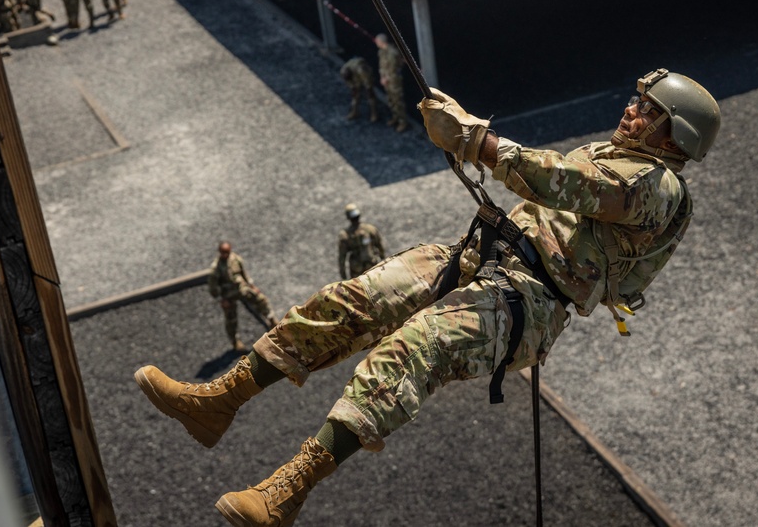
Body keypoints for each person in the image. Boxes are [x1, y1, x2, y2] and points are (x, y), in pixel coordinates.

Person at [134, 68, 720, 527]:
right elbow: (554, 181)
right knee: (355, 299)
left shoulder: (658, 188)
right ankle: (220, 400)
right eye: (638, 101)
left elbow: (561, 182)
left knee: (418, 346)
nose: (632, 110)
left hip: (531, 300)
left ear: (678, 137)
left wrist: (474, 139)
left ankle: (287, 492)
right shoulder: (615, 154)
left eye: (650, 111)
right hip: (482, 256)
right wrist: (472, 139)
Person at [205, 242, 279, 353]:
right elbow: (213, 288)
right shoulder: (216, 269)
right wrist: (222, 299)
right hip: (228, 295)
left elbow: (243, 272)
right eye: (224, 252)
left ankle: (271, 319)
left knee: (261, 300)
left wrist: (251, 285)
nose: (226, 254)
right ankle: (234, 341)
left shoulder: (235, 259)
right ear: (220, 252)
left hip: (241, 288)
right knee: (231, 318)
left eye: (228, 252)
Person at [337, 203, 386, 280]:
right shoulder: (370, 229)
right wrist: (384, 262)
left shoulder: (345, 235)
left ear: (348, 217)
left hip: (356, 271)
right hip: (372, 267)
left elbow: (342, 258)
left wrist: (344, 276)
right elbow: (380, 246)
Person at [376, 33, 408, 132]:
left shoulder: (392, 53)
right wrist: (382, 77)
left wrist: (386, 78)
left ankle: (403, 121)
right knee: (391, 99)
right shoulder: (382, 52)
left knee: (397, 100)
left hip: (394, 81)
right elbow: (382, 66)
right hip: (387, 80)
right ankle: (396, 117)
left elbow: (393, 69)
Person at [339, 56, 377, 122]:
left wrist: (368, 88)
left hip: (365, 75)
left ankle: (374, 113)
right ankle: (354, 112)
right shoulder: (344, 72)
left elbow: (367, 82)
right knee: (355, 96)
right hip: (355, 77)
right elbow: (349, 83)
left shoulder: (361, 69)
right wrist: (353, 88)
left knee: (370, 96)